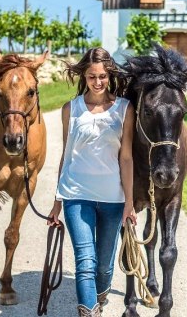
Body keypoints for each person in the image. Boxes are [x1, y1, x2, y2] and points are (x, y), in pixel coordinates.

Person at [47, 47, 137, 317]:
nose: (98, 82)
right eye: (92, 77)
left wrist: (129, 203)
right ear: (83, 77)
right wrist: (57, 201)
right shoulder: (70, 109)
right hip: (77, 195)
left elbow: (126, 158)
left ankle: (100, 295)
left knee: (103, 268)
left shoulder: (124, 109)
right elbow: (66, 155)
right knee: (85, 263)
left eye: (103, 77)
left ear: (110, 76)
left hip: (112, 198)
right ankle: (89, 312)